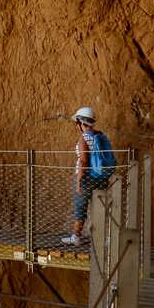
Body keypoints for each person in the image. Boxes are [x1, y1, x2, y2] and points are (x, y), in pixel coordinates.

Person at [61, 106, 116, 247]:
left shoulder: (83, 138)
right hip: (101, 178)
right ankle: (103, 238)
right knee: (99, 207)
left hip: (86, 178)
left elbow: (84, 161)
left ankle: (76, 237)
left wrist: (79, 181)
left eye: (77, 123)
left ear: (80, 123)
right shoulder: (101, 135)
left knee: (81, 207)